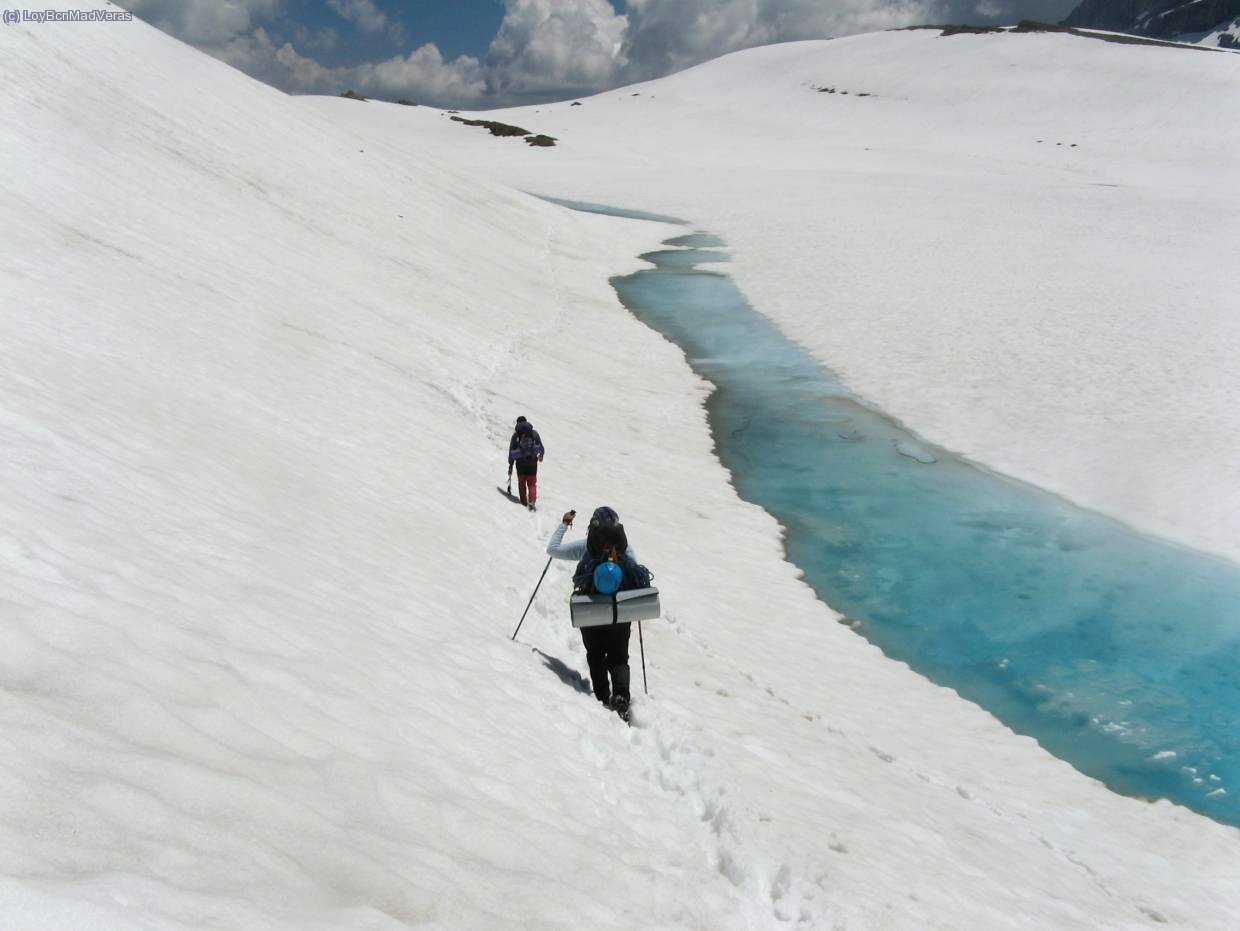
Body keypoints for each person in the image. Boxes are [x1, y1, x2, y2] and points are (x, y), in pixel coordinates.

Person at [546, 506, 646, 717]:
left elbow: (553, 549)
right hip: (619, 612)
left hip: (590, 610)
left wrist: (564, 524)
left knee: (595, 655)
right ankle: (621, 698)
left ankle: (601, 697)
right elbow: (637, 578)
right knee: (619, 658)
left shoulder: (587, 547)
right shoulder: (625, 550)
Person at [507, 416, 544, 511]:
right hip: (532, 462)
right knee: (532, 483)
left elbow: (511, 451)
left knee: (522, 483)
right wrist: (541, 456)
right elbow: (541, 447)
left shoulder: (516, 435)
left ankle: (523, 502)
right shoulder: (533, 433)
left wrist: (510, 465)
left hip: (520, 463)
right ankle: (532, 501)